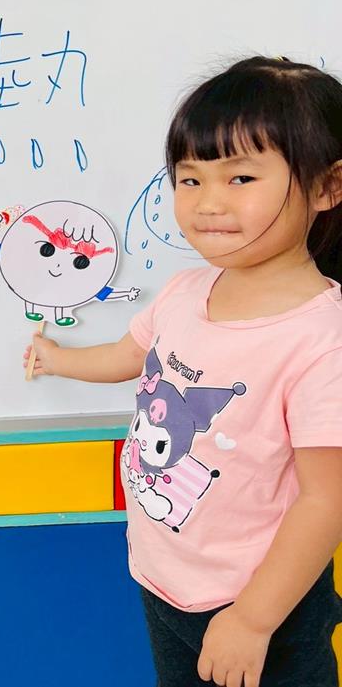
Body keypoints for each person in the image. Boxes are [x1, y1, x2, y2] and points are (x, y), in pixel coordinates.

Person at [26, 57, 342, 686]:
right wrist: (60, 360)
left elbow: (326, 499)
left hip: (261, 604)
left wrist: (252, 620)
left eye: (241, 177)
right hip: (165, 579)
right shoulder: (186, 291)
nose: (207, 203)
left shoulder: (320, 340)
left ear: (327, 187)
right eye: (190, 179)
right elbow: (129, 357)